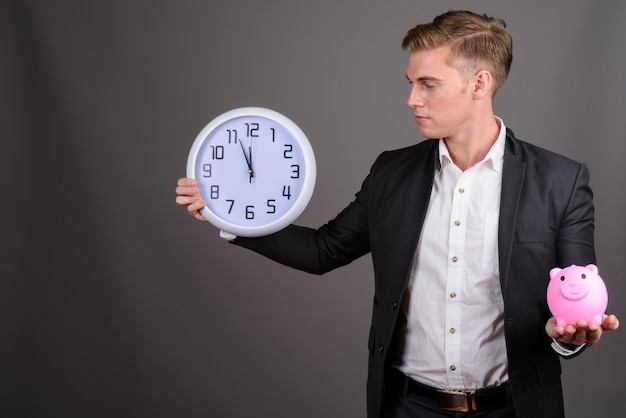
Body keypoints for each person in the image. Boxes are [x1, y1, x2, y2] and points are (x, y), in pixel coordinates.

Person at [176, 10, 619, 418]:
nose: (411, 99)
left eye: (428, 84)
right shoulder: (391, 172)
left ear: (479, 84)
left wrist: (569, 336)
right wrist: (229, 217)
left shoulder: (561, 180)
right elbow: (322, 251)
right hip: (407, 407)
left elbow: (578, 301)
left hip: (516, 408)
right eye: (410, 82)